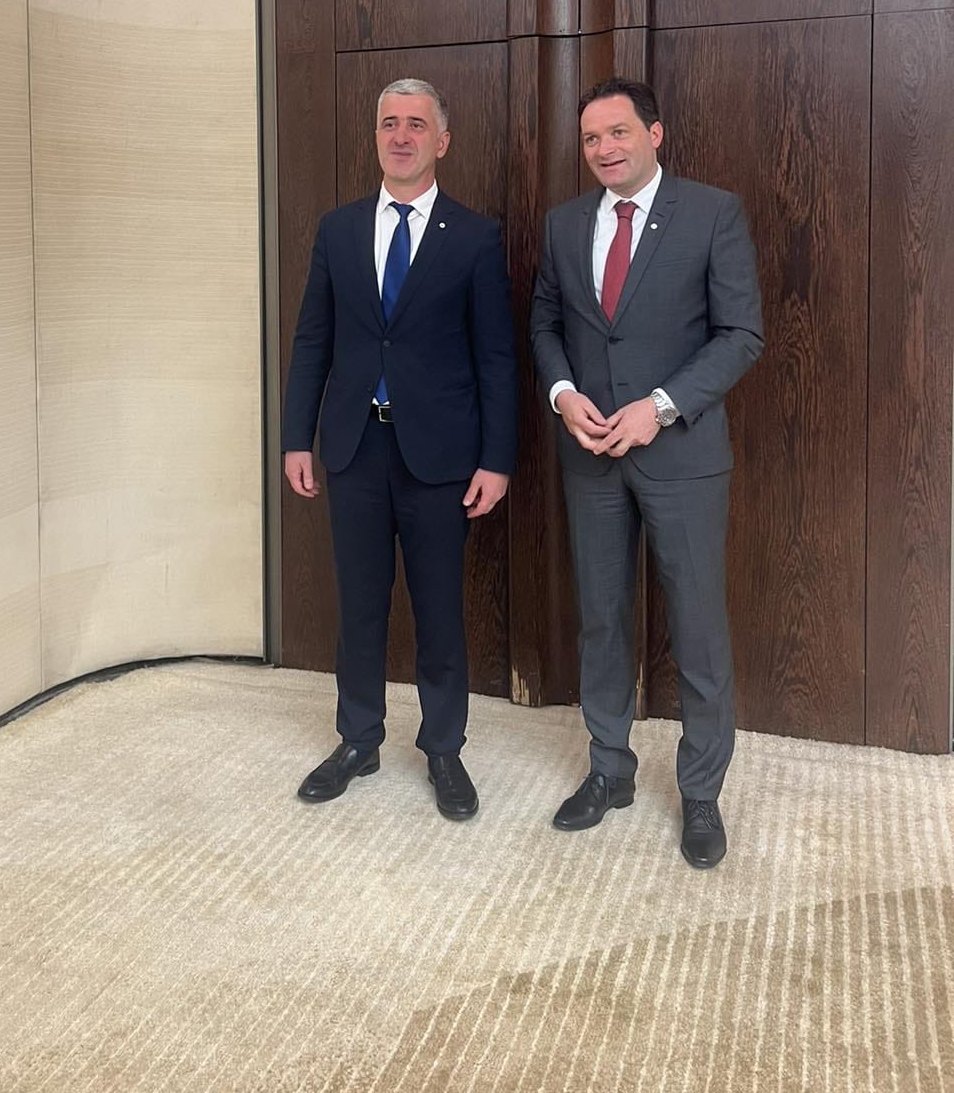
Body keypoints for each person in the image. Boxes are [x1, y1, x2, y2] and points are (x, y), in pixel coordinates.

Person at [530, 78, 763, 868]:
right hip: (590, 454)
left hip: (681, 457)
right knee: (602, 619)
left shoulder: (712, 213)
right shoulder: (564, 223)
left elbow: (741, 334)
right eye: (592, 138)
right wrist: (563, 395)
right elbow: (545, 322)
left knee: (697, 626)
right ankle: (609, 770)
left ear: (654, 134)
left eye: (619, 132)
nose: (604, 148)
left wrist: (659, 408)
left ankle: (700, 794)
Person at [283, 78, 517, 820]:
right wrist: (296, 438)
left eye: (417, 124)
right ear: (376, 136)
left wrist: (497, 459)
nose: (402, 136)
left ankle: (443, 748)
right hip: (354, 448)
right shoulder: (339, 230)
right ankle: (359, 739)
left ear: (441, 141)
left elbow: (496, 358)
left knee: (439, 608)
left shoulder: (474, 237)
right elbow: (313, 340)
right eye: (389, 123)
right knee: (359, 605)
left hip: (441, 458)